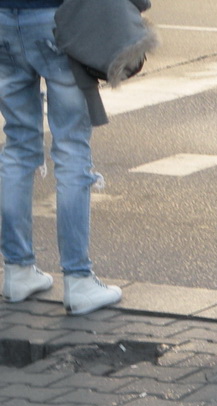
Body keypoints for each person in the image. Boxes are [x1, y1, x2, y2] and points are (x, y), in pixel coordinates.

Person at [0, 0, 122, 315]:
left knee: (18, 144)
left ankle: (17, 270)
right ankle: (78, 279)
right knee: (71, 148)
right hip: (56, 19)